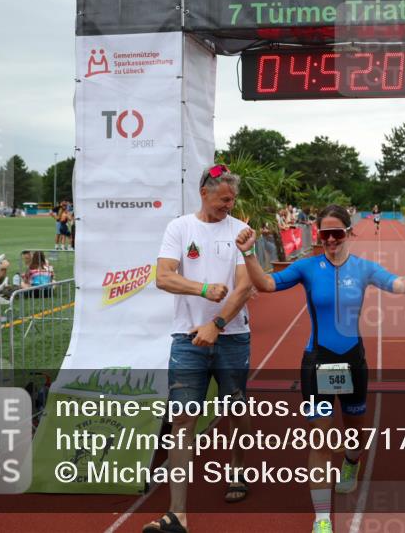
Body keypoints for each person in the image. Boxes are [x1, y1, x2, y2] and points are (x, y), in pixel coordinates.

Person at [235, 204, 405, 533]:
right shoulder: (307, 268)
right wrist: (248, 255)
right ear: (318, 234)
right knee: (320, 439)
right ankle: (322, 518)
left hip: (352, 360)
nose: (330, 240)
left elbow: (398, 285)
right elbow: (266, 285)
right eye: (324, 234)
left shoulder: (363, 268)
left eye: (336, 233)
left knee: (354, 431)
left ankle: (351, 463)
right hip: (318, 362)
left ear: (347, 232)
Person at [144, 164, 255, 533]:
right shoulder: (180, 228)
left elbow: (243, 287)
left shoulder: (240, 230)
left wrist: (216, 324)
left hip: (232, 336)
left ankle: (237, 469)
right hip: (186, 338)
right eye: (223, 198)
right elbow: (163, 276)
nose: (228, 205)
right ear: (204, 192)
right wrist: (202, 289)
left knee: (235, 409)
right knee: (182, 420)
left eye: (232, 200)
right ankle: (178, 513)